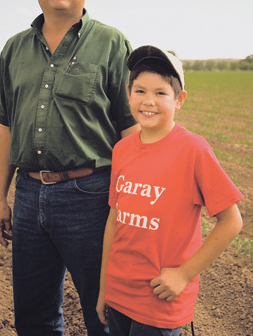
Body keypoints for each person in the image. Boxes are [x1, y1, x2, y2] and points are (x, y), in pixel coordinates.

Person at [0, 0, 139, 336]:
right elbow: (5, 127)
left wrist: (140, 204)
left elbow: (132, 130)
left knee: (105, 315)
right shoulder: (14, 49)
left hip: (91, 198)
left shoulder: (111, 43)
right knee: (35, 319)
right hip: (27, 197)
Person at [96, 45, 244, 335]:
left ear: (180, 100)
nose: (148, 101)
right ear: (128, 94)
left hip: (159, 299)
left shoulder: (193, 149)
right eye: (140, 91)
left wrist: (184, 275)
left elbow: (231, 221)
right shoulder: (122, 150)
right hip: (118, 293)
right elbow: (114, 221)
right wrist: (103, 289)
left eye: (160, 93)